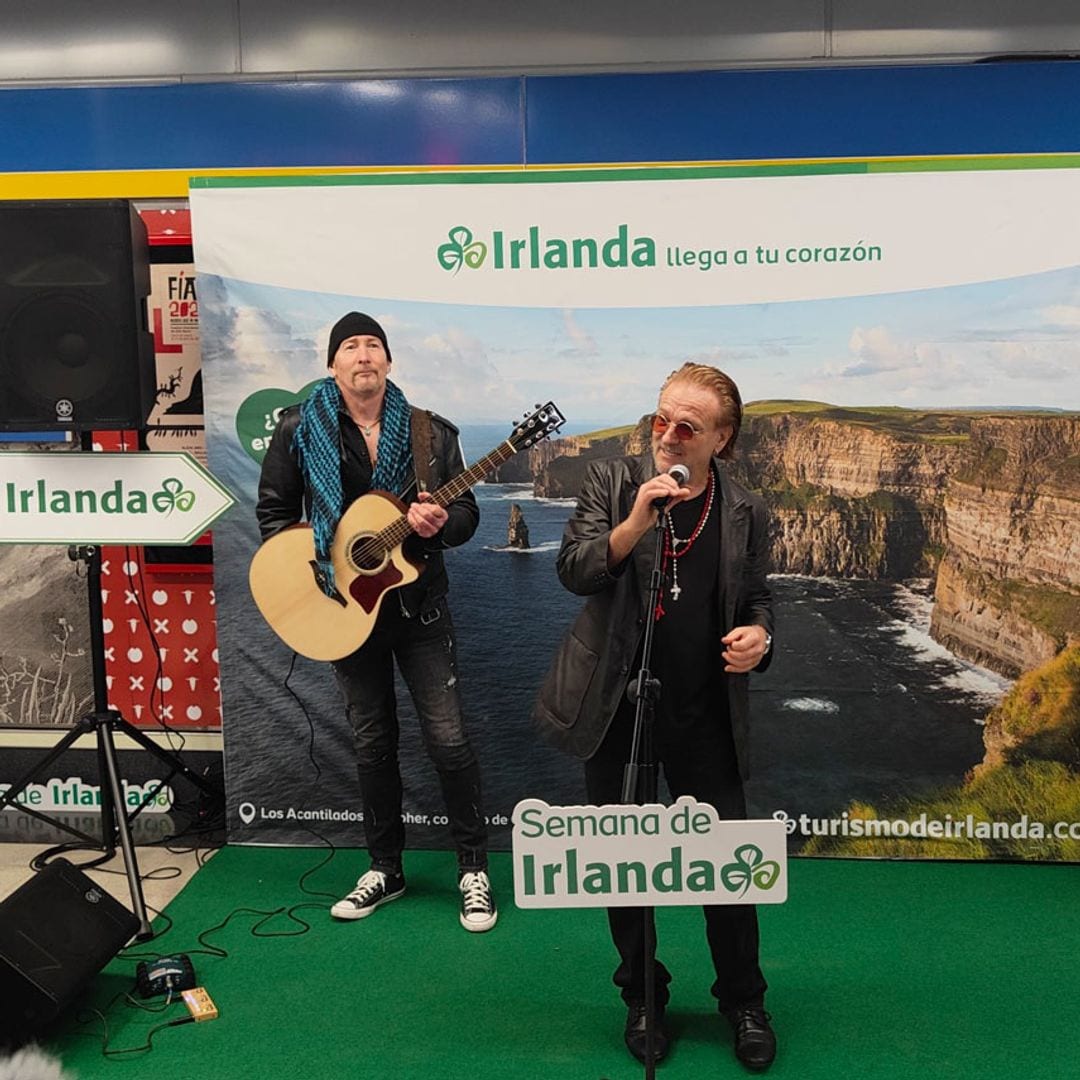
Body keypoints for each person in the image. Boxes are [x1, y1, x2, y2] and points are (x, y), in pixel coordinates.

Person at [532, 362, 776, 1069]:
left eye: (687, 427)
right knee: (622, 865)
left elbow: (758, 598)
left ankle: (744, 998)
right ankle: (643, 996)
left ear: (721, 441)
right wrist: (639, 517)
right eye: (660, 419)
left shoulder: (746, 510)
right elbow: (576, 569)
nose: (667, 435)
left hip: (704, 712)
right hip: (616, 708)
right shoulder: (612, 483)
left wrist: (760, 640)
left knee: (726, 865)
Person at [256, 311, 496, 933]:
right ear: (332, 364)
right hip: (341, 611)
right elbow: (275, 512)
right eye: (350, 347)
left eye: (374, 346)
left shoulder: (431, 435)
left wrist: (442, 525)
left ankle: (473, 868)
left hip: (418, 609)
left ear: (389, 362)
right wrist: (314, 566)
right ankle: (385, 868)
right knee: (371, 742)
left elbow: (467, 515)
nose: (363, 355)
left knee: (448, 739)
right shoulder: (298, 429)